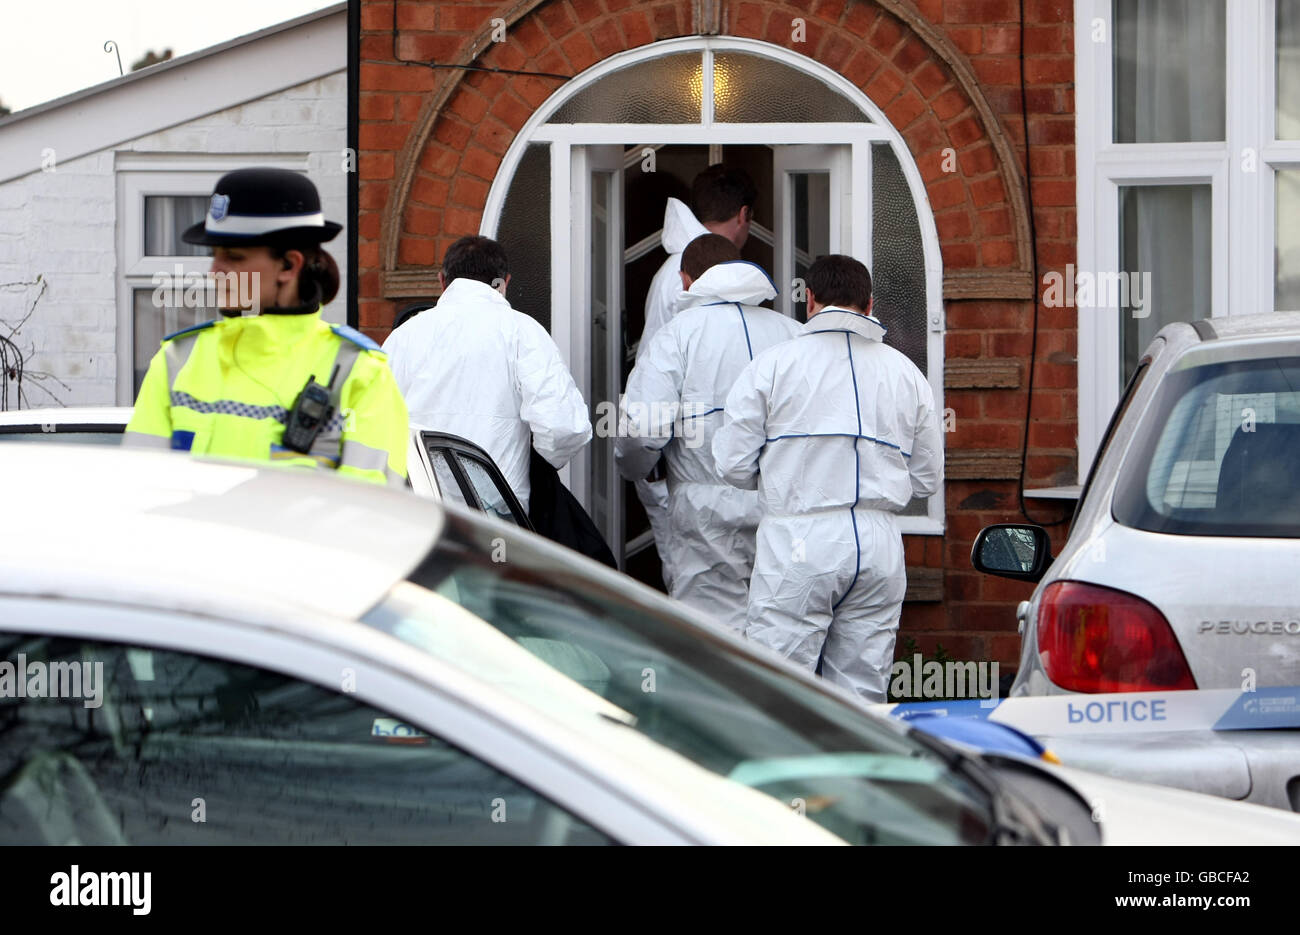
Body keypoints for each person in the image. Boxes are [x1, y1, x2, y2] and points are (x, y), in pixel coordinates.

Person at [713, 254, 943, 702]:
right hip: (879, 542)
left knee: (779, 691)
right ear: (870, 303)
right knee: (863, 696)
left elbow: (732, 463)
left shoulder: (773, 365)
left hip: (799, 537)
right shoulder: (906, 373)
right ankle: (857, 773)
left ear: (809, 301)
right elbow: (928, 478)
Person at [125, 167, 408, 486]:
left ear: (289, 265)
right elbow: (140, 488)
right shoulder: (176, 357)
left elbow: (366, 513)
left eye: (234, 257)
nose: (215, 271)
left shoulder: (360, 373)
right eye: (214, 255)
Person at [617, 234, 800, 630]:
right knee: (781, 635)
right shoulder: (792, 334)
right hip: (784, 506)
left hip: (704, 510)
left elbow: (642, 430)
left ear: (686, 280)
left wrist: (638, 469)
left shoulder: (677, 336)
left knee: (711, 641)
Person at [382, 235, 591, 511]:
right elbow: (564, 428)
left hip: (419, 511)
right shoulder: (522, 333)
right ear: (504, 283)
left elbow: (377, 425)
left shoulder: (402, 338)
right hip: (496, 515)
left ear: (442, 281)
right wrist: (537, 470)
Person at [635, 165, 758, 591]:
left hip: (710, 467)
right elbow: (663, 371)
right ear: (743, 215)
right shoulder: (680, 278)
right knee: (703, 593)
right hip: (694, 465)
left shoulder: (675, 273)